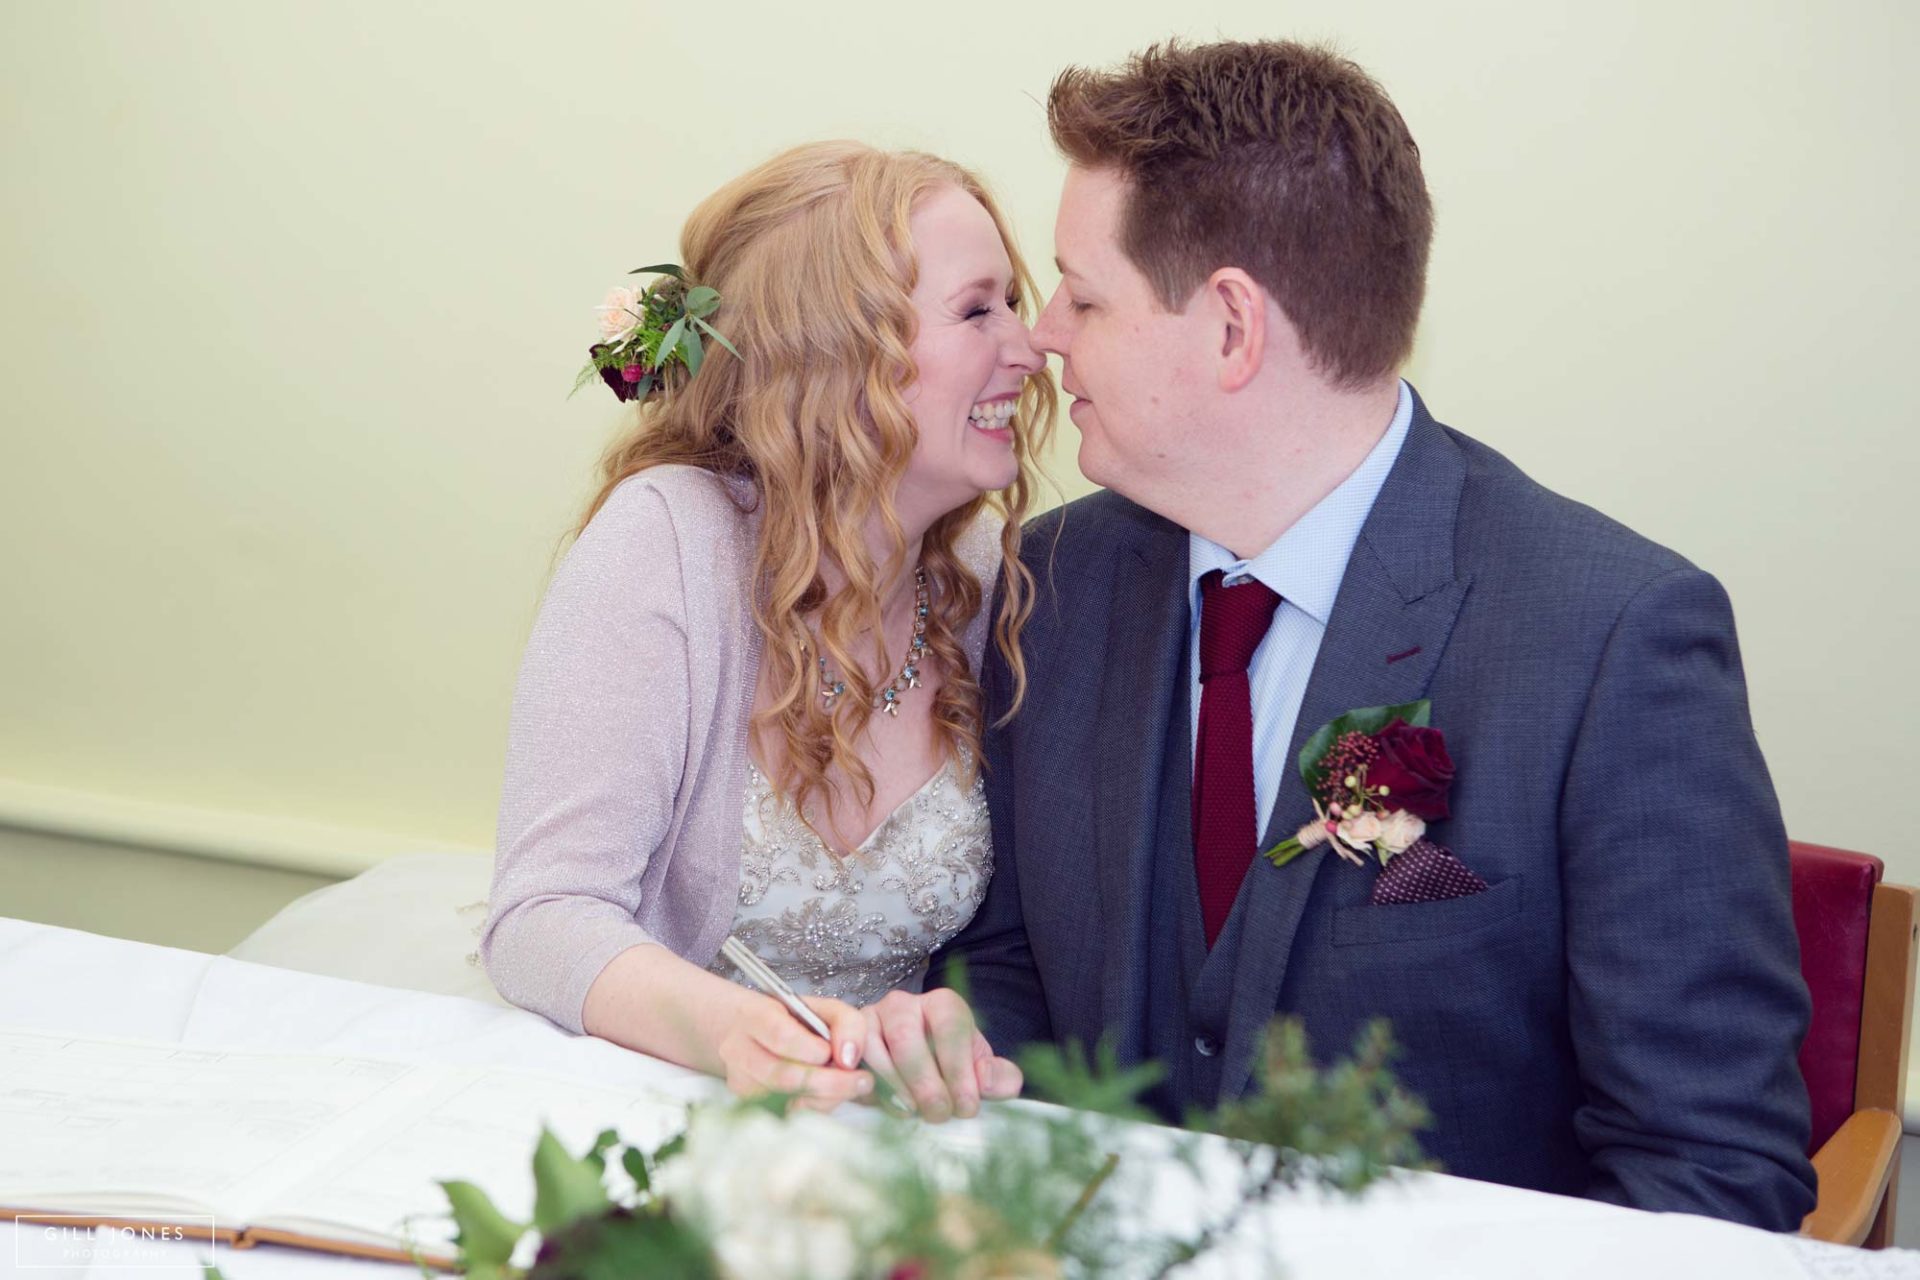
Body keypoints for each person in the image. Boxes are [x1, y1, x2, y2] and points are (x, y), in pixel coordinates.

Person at [933, 40, 1817, 1228]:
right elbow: (1002, 964)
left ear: (1233, 328)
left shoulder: (1614, 640)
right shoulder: (1054, 581)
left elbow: (1709, 1173)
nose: (1043, 334)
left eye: (1084, 296)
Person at [482, 140, 1055, 1121]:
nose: (1031, 345)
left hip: (883, 1134)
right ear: (838, 357)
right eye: (976, 309)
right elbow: (542, 918)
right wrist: (738, 1033)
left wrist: (942, 1029)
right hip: (650, 1104)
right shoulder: (666, 541)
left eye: (1013, 301)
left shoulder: (993, 586)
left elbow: (1008, 949)